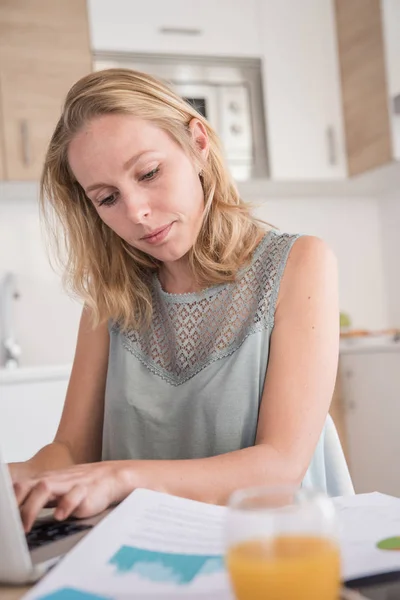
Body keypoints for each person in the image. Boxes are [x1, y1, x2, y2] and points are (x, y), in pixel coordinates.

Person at [9, 68, 339, 533]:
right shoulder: (110, 298)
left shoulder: (300, 263)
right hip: (151, 551)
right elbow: (69, 452)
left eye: (149, 173)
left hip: (275, 550)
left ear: (198, 143)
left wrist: (122, 478)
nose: (136, 211)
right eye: (107, 199)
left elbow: (279, 466)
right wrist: (21, 478)